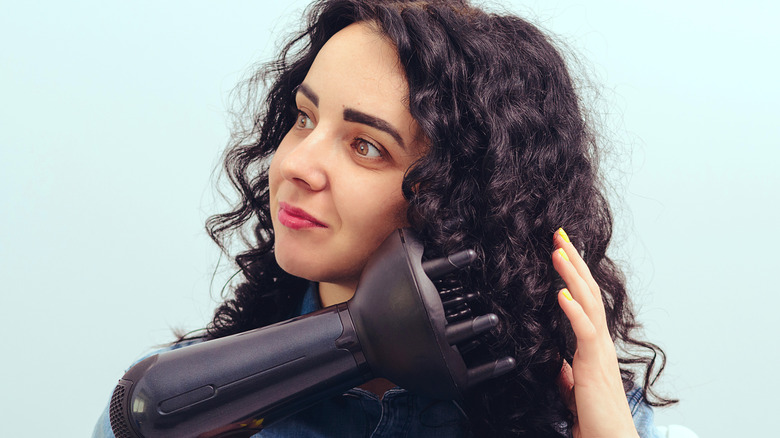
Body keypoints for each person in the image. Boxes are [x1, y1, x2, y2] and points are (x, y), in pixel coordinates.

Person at [93, 0, 676, 437]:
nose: (296, 165)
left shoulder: (591, 417)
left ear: (463, 196)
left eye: (366, 146)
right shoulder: (177, 405)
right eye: (304, 117)